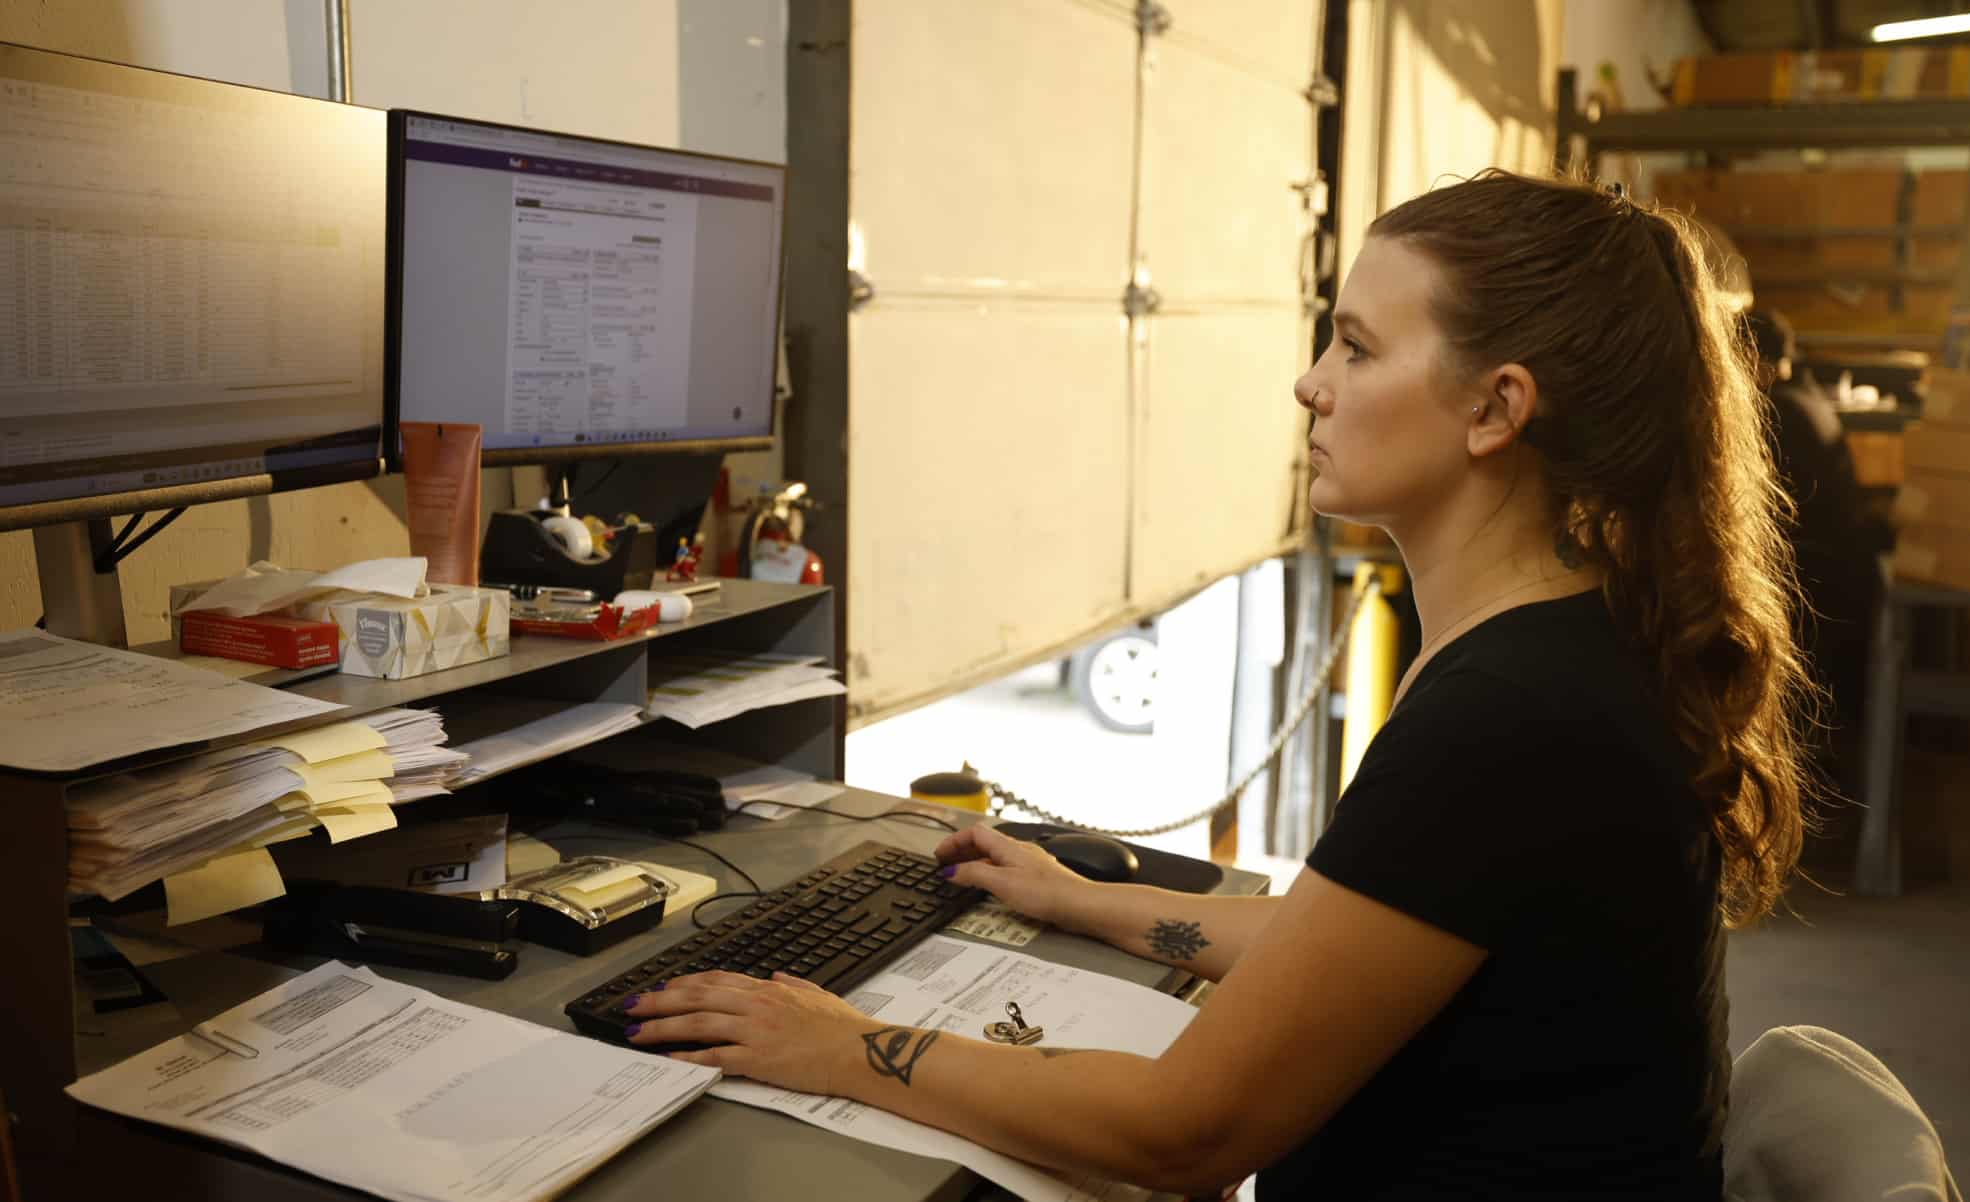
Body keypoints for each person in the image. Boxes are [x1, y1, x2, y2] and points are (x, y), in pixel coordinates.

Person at [619, 171, 1817, 1200]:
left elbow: (1184, 1131)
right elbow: (1340, 942)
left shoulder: (1511, 715)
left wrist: (842, 1043)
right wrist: (1078, 898)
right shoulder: (1567, 640)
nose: (1311, 383)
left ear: (1497, 408)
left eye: (1356, 346)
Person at [1742, 308, 1892, 738]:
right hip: (1843, 571)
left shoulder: (1780, 412)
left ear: (1753, 359)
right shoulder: (1808, 396)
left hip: (1820, 584)